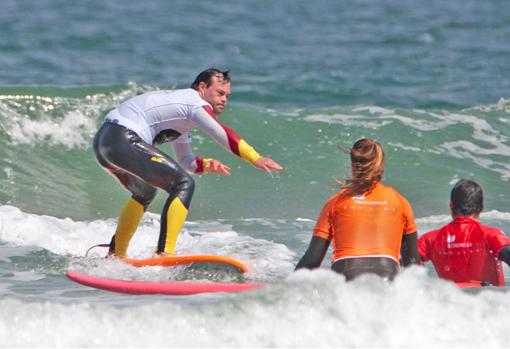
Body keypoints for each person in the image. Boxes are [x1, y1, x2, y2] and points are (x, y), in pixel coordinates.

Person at [93, 68, 283, 257]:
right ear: (202, 86)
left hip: (105, 143)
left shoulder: (184, 116)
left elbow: (185, 161)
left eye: (227, 95)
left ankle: (116, 254)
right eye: (220, 93)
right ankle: (165, 253)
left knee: (145, 192)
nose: (224, 99)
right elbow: (221, 133)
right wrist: (255, 157)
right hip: (123, 138)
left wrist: (204, 165)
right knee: (184, 184)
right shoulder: (193, 102)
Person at [295, 138, 420, 281]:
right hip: (387, 273)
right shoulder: (400, 201)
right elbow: (412, 266)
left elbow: (312, 261)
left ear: (352, 166)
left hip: (346, 272)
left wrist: (286, 290)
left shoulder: (335, 202)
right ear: (380, 166)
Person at [418, 179, 510, 286]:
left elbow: (406, 263)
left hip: (450, 301)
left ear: (451, 206)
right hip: (489, 301)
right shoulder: (491, 236)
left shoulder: (429, 240)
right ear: (481, 207)